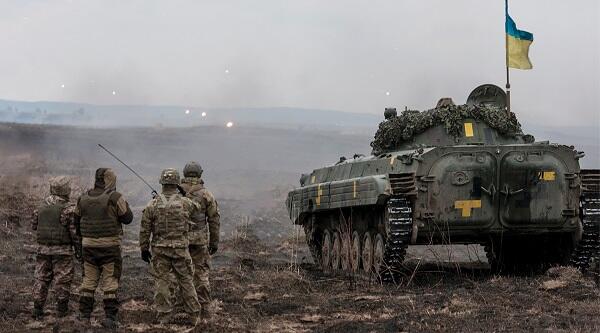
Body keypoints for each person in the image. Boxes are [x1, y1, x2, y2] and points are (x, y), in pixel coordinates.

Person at [139, 168, 202, 325]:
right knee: (186, 281)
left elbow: (144, 229)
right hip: (180, 250)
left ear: (162, 183)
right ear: (176, 183)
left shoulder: (152, 204)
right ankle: (194, 316)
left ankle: (164, 316)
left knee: (162, 282)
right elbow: (197, 208)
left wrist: (144, 248)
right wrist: (183, 194)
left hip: (160, 250)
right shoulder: (185, 203)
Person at [74, 168, 133, 328]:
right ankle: (110, 318)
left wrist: (82, 242)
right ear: (111, 180)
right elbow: (128, 218)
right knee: (110, 282)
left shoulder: (83, 198)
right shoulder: (115, 197)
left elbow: (77, 223)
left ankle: (84, 316)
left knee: (88, 281)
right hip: (110, 247)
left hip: (88, 246)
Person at [31, 176, 79, 320]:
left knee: (41, 278)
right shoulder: (69, 209)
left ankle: (37, 309)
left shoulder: (40, 207)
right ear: (65, 190)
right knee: (62, 280)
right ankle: (62, 310)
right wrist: (79, 250)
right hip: (62, 251)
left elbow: (34, 226)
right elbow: (74, 233)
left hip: (42, 250)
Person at [179, 161, 220, 319]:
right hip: (199, 240)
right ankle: (205, 309)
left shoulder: (175, 192)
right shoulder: (206, 194)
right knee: (201, 273)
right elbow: (214, 219)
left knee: (179, 273)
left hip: (178, 240)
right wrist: (214, 242)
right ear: (200, 174)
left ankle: (181, 306)